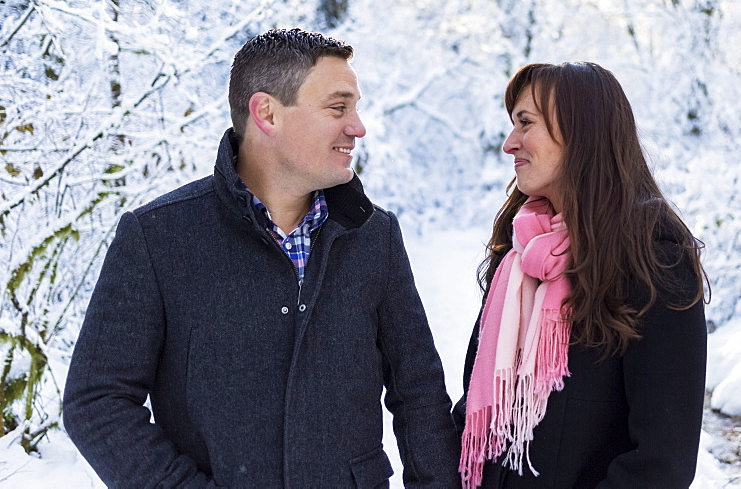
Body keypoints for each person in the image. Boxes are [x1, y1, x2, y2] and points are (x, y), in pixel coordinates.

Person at [63, 28, 460, 488]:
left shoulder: (375, 236)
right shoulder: (158, 237)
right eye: (338, 107)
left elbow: (420, 395)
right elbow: (96, 401)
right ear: (267, 113)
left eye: (356, 107)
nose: (358, 126)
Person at [454, 62, 708, 488]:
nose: (509, 143)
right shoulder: (519, 254)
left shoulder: (654, 259)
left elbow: (661, 463)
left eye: (525, 123)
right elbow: (479, 407)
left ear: (580, 132)